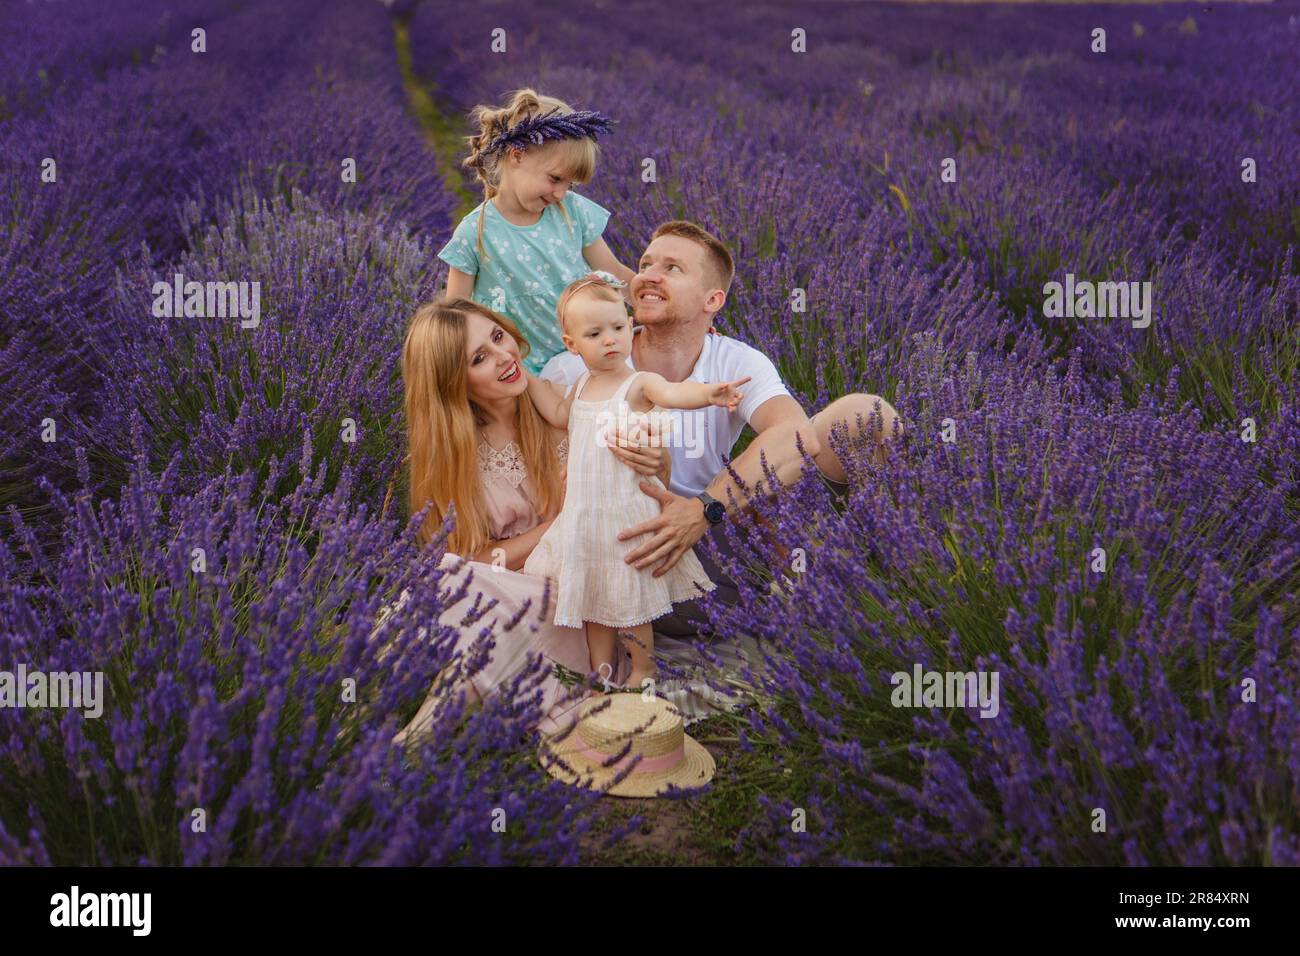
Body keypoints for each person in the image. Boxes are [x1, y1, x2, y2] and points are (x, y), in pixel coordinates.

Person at [540, 220, 905, 637]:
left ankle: (896, 570)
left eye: (672, 268)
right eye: (645, 263)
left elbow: (797, 436)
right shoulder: (574, 369)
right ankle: (791, 599)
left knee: (866, 415)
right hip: (628, 544)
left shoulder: (735, 361)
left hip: (714, 525)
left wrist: (703, 509)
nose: (647, 275)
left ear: (712, 299)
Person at [375, 297, 670, 744]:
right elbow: (469, 558)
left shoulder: (565, 407)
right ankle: (396, 729)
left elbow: (645, 497)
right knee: (463, 584)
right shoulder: (453, 453)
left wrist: (657, 463)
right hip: (498, 592)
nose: (504, 357)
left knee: (463, 588)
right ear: (453, 381)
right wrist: (561, 521)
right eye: (479, 358)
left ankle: (413, 740)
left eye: (498, 337)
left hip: (584, 602)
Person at [522, 274, 750, 691]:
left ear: (631, 327)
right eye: (594, 333)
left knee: (631, 603)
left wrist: (709, 394)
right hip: (584, 519)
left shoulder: (637, 384)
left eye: (618, 327)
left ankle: (643, 669)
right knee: (594, 602)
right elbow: (559, 416)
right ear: (572, 345)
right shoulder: (582, 385)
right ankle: (601, 669)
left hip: (624, 515)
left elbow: (674, 392)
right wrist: (529, 381)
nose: (609, 339)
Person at [436, 87, 636, 374]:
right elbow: (455, 311)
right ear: (517, 156)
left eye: (569, 185)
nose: (560, 193)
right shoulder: (474, 232)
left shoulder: (572, 212)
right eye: (555, 178)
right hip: (517, 371)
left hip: (581, 360)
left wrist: (666, 309)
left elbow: (615, 272)